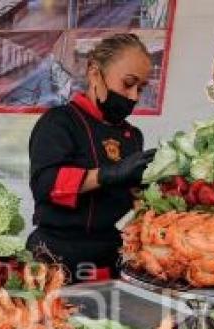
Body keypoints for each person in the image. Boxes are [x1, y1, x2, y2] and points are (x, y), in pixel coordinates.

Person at [27, 33, 156, 282]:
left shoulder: (132, 136)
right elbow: (46, 183)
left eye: (140, 88)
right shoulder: (60, 122)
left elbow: (138, 199)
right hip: (55, 253)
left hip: (110, 253)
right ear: (95, 73)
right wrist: (108, 174)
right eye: (128, 84)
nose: (134, 97)